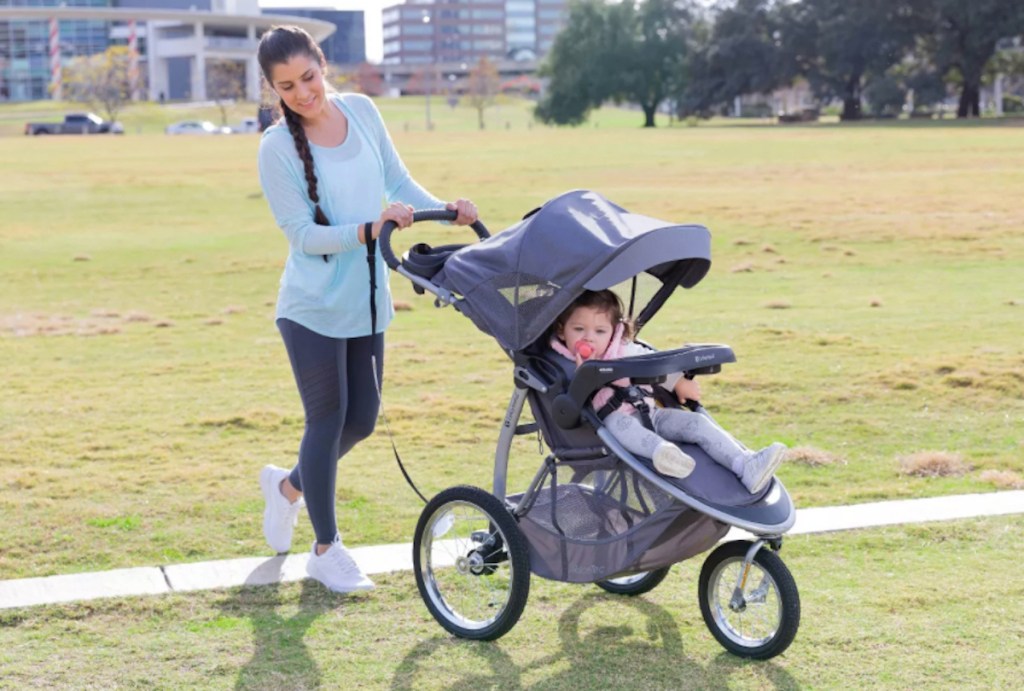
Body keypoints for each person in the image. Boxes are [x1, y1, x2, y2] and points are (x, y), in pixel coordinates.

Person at [255, 25, 479, 593]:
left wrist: (447, 210)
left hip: (368, 296)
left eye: (308, 77)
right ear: (273, 90)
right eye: (287, 86)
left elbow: (397, 180)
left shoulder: (362, 111)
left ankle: (287, 489)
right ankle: (325, 549)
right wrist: (366, 229)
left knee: (361, 421)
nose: (303, 92)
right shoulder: (275, 148)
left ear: (322, 64)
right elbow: (302, 236)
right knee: (326, 418)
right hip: (310, 305)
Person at [549, 290, 786, 493]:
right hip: (612, 422)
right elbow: (568, 405)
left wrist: (678, 382)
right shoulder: (562, 364)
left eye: (600, 331)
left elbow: (653, 363)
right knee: (623, 426)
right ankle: (663, 454)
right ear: (562, 331)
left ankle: (745, 465)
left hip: (652, 414)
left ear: (614, 331)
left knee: (697, 424)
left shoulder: (624, 350)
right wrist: (583, 378)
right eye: (579, 329)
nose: (589, 338)